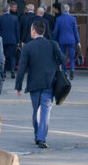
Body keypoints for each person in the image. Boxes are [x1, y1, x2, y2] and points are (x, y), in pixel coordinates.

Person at [15, 20, 64, 149]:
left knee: (36, 110)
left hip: (34, 83)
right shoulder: (53, 44)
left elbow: (21, 68)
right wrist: (53, 64)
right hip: (49, 82)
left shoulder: (28, 47)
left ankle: (38, 135)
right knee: (45, 111)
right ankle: (42, 138)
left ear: (33, 31)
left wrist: (18, 86)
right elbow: (63, 59)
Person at [53, 4, 80, 79]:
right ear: (68, 10)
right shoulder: (73, 19)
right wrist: (78, 41)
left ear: (62, 10)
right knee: (72, 56)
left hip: (62, 40)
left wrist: (54, 40)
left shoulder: (59, 19)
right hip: (71, 40)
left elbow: (55, 31)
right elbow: (75, 31)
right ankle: (72, 69)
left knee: (63, 56)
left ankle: (65, 72)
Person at [0, 1, 20, 79]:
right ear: (9, 9)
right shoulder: (14, 18)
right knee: (12, 56)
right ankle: (12, 70)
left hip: (2, 40)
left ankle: (4, 72)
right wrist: (18, 41)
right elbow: (17, 30)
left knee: (3, 56)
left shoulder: (0, 19)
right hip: (12, 40)